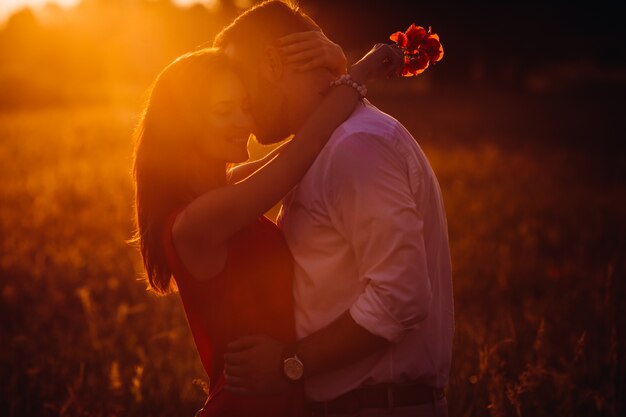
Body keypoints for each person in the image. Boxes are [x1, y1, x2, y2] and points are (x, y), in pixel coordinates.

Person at [131, 23, 404, 417]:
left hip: (281, 399)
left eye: (244, 105)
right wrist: (360, 74)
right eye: (225, 111)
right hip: (245, 406)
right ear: (183, 124)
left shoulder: (224, 192)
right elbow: (298, 157)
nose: (245, 121)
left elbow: (297, 147)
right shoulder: (196, 221)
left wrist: (335, 64)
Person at [217, 1, 454, 416]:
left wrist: (288, 364)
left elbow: (400, 297)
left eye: (240, 81)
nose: (241, 103)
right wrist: (347, 72)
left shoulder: (356, 146)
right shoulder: (320, 145)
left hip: (378, 405)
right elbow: (218, 194)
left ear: (273, 62)